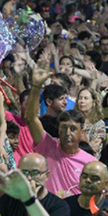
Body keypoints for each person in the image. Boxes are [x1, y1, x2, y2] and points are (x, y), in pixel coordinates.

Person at [27, 68, 97, 198]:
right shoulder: (48, 147)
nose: (68, 133)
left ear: (82, 132)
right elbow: (30, 118)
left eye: (73, 128)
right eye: (64, 128)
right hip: (50, 213)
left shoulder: (90, 163)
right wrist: (36, 87)